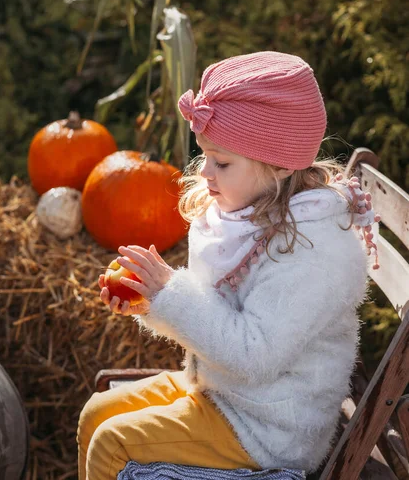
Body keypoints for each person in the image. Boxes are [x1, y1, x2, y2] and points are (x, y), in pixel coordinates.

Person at [77, 51, 379, 480]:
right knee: (95, 415)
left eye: (222, 163)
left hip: (270, 428)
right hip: (228, 394)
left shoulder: (313, 251)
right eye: (205, 157)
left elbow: (253, 355)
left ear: (276, 166)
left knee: (112, 443)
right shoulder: (252, 216)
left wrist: (169, 291)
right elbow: (217, 313)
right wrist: (152, 300)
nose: (206, 175)